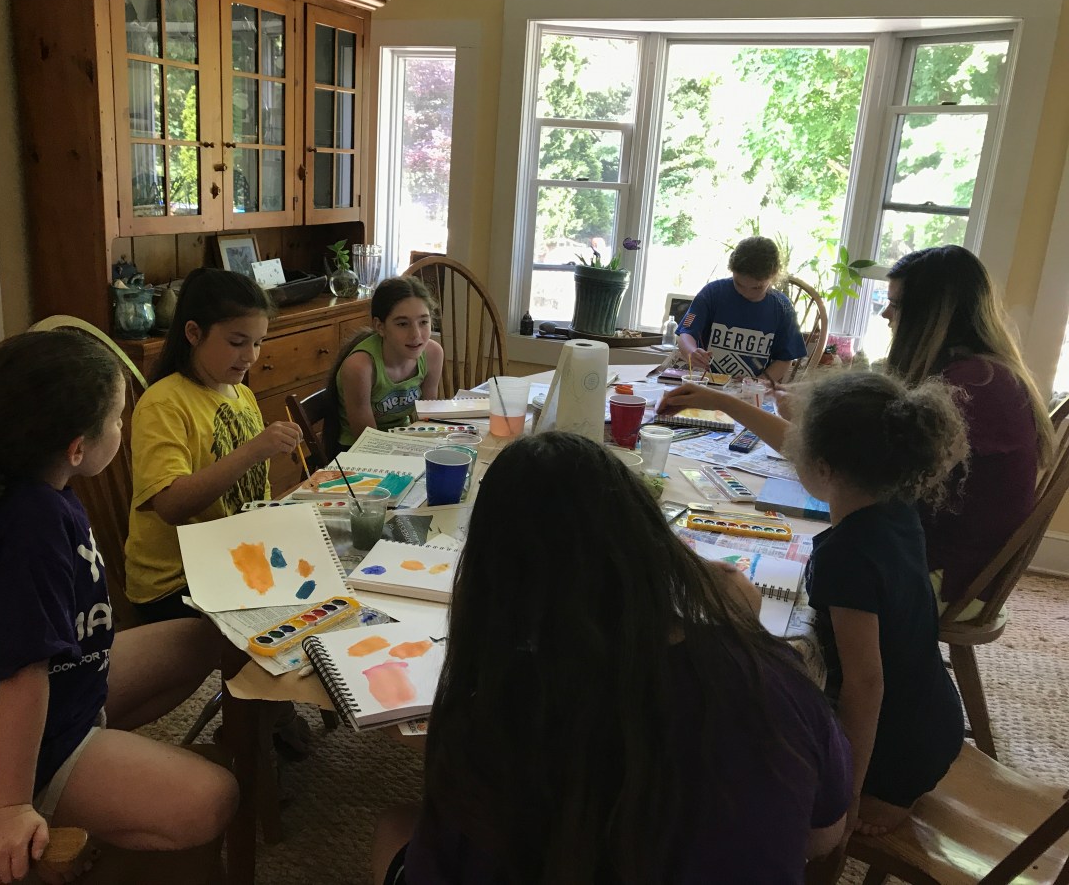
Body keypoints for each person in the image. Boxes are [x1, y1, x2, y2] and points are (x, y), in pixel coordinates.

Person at [371, 432, 852, 885]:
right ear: (653, 544)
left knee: (394, 825)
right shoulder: (775, 676)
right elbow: (823, 837)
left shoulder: (497, 716)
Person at [0, 331, 238, 885]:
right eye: (119, 419)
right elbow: (22, 675)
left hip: (65, 691)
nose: (123, 429)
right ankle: (55, 806)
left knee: (202, 638)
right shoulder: (29, 526)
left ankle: (94, 778)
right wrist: (9, 808)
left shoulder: (39, 488)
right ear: (77, 447)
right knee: (214, 798)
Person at [659, 244, 1053, 618]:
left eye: (896, 304)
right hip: (933, 550)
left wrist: (734, 405)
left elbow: (840, 477)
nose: (885, 314)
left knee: (782, 581)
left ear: (931, 315)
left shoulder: (967, 390)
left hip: (946, 579)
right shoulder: (978, 373)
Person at [783, 372, 968, 836]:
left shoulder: (846, 557)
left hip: (897, 752)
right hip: (937, 717)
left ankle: (885, 803)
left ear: (822, 467)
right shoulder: (899, 507)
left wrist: (846, 797)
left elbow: (866, 686)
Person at [125, 267, 304, 620]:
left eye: (258, 342)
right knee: (291, 622)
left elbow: (254, 492)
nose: (251, 356)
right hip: (175, 584)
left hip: (231, 559)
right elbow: (171, 505)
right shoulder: (164, 403)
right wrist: (253, 450)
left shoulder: (241, 394)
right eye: (237, 342)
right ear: (194, 333)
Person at [329, 276, 443, 451]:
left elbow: (428, 419)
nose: (416, 335)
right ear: (380, 327)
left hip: (402, 440)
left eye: (423, 322)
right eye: (402, 324)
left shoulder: (433, 354)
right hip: (357, 449)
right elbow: (368, 440)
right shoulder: (359, 368)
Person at [675, 235, 807, 382]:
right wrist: (691, 352)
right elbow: (685, 333)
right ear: (732, 270)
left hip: (751, 388)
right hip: (706, 382)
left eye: (757, 288)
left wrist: (758, 382)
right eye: (739, 284)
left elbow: (785, 359)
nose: (746, 292)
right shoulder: (712, 293)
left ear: (773, 275)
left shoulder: (783, 307)